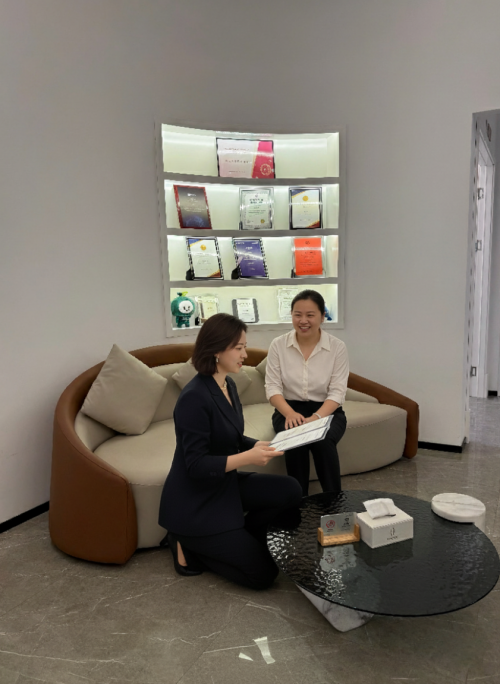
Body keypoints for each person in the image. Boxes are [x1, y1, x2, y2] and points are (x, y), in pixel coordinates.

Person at [158, 313, 302, 590]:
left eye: (244, 347)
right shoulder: (194, 398)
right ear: (216, 350)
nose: (245, 354)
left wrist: (253, 445)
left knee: (291, 490)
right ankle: (187, 546)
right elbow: (196, 465)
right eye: (239, 348)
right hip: (197, 500)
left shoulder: (228, 384)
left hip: (223, 484)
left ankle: (236, 536)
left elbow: (229, 436)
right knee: (263, 574)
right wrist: (248, 458)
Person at [265, 290, 348, 496]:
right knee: (295, 441)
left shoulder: (337, 347)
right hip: (288, 409)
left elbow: (337, 392)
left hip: (327, 411)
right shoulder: (278, 345)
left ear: (322, 316)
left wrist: (316, 418)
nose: (303, 321)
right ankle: (298, 502)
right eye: (297, 314)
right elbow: (272, 388)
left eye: (310, 315)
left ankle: (333, 501)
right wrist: (289, 414)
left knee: (322, 440)